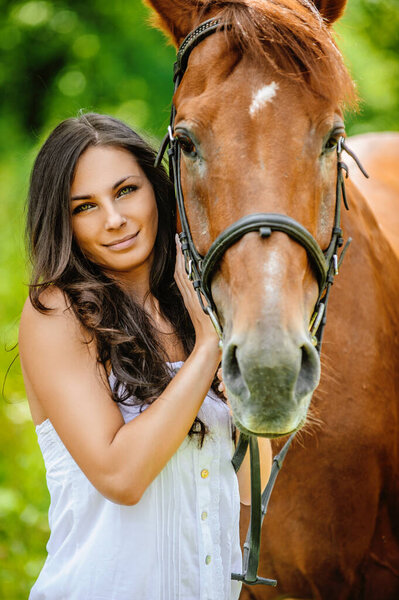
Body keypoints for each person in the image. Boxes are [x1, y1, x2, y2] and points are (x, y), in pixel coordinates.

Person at [19, 112, 271, 600]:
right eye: (85, 206)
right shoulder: (58, 313)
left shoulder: (192, 310)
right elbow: (121, 476)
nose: (114, 220)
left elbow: (248, 489)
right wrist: (208, 351)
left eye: (126, 191)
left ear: (157, 189)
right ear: (63, 221)